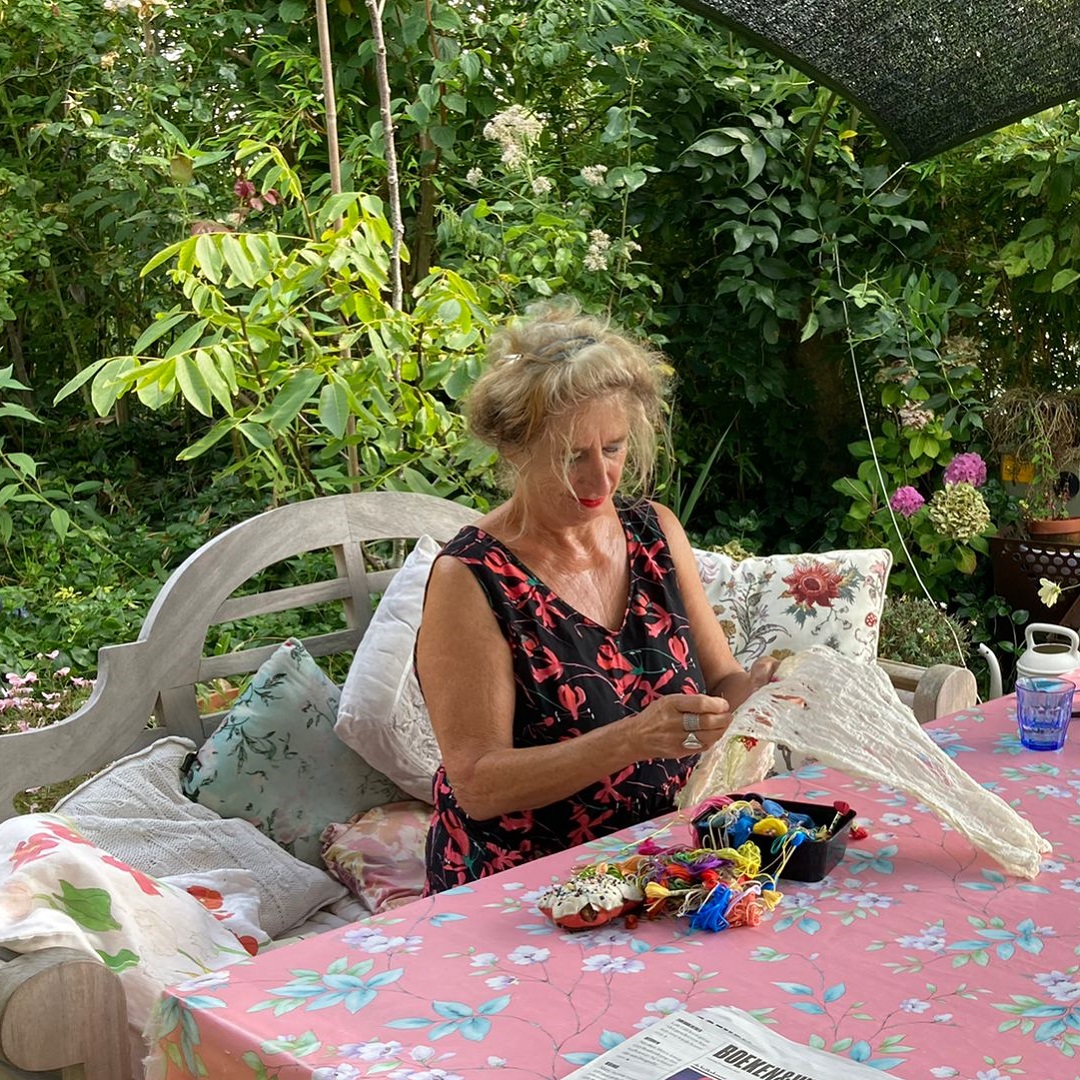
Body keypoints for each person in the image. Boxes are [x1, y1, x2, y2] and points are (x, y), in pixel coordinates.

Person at [417, 301, 776, 894]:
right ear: (514, 450)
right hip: (528, 886)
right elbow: (478, 785)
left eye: (612, 448)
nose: (599, 479)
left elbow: (722, 684)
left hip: (668, 860)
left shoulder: (655, 531)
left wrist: (763, 692)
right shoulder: (471, 577)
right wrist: (633, 738)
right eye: (571, 456)